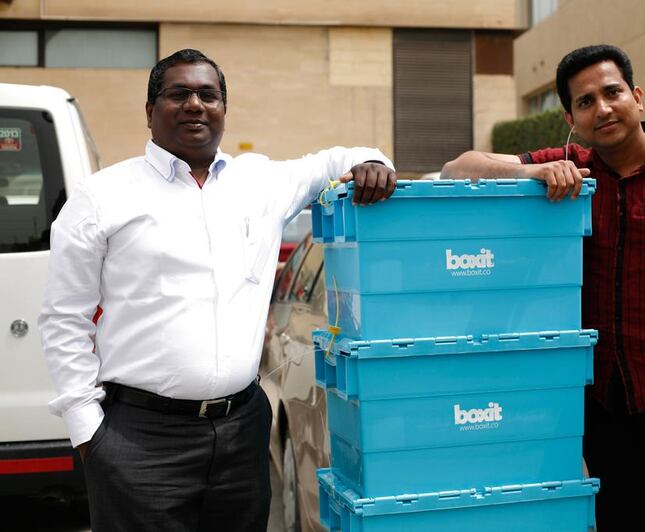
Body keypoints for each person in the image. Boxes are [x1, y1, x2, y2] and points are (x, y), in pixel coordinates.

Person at [39, 48, 396, 531]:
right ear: (150, 111)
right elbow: (64, 318)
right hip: (139, 439)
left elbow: (336, 160)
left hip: (240, 432)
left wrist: (372, 159)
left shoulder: (261, 181)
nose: (195, 105)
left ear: (224, 110)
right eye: (178, 94)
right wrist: (90, 435)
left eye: (208, 95)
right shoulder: (101, 197)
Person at [441, 44, 645, 531]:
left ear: (637, 97)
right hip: (607, 408)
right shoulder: (571, 170)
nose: (602, 108)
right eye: (585, 101)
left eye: (612, 92)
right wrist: (532, 171)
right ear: (571, 118)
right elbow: (459, 169)